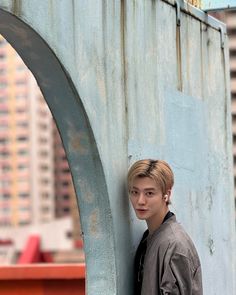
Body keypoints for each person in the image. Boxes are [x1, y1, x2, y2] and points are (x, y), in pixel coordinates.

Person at [127, 159, 203, 295]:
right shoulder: (149, 237)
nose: (140, 201)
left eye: (149, 193)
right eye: (135, 192)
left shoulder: (174, 245)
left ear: (166, 195)